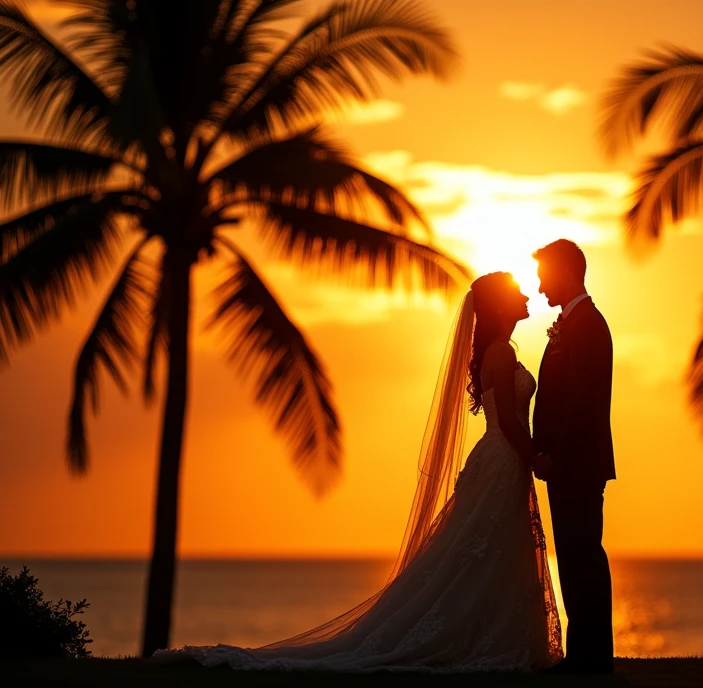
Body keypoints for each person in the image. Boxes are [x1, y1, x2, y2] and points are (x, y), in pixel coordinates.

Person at [153, 272, 562, 672]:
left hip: (501, 458)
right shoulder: (501, 353)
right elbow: (509, 422)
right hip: (504, 457)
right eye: (517, 292)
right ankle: (482, 636)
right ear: (497, 304)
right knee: (485, 549)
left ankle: (492, 633)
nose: (527, 296)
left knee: (490, 551)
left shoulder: (499, 349)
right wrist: (535, 458)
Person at [532, 239, 615, 674]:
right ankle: (584, 656)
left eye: (544, 274)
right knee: (574, 557)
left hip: (577, 465)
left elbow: (581, 404)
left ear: (565, 272)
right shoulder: (572, 323)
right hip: (567, 465)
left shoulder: (587, 326)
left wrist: (556, 458)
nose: (540, 285)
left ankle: (592, 659)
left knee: (583, 556)